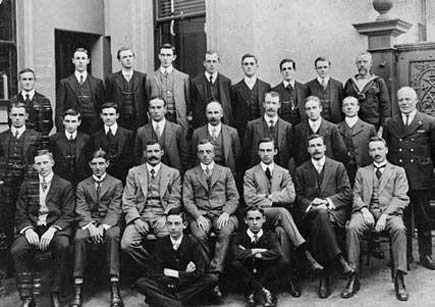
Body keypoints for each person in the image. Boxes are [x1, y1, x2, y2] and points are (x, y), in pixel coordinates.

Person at [243, 137, 323, 298]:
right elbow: (249, 199)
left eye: (269, 150)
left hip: (280, 221)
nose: (266, 154)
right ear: (258, 152)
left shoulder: (284, 172)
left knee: (282, 232)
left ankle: (287, 278)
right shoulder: (250, 173)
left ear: (275, 151)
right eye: (262, 150)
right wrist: (275, 198)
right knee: (282, 212)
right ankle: (304, 251)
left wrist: (267, 197)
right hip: (260, 215)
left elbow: (291, 196)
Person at [342, 137, 409, 301]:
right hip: (366, 212)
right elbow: (355, 195)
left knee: (400, 229)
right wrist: (364, 209)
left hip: (390, 213)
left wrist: (385, 216)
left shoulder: (398, 171)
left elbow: (401, 198)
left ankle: (399, 277)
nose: (377, 153)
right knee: (352, 228)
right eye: (373, 150)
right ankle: (353, 275)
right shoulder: (362, 172)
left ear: (386, 150)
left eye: (380, 149)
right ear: (369, 153)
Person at [11, 150, 75, 307]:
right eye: (38, 163)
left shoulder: (64, 185)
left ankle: (56, 292)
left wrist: (53, 230)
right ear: (34, 166)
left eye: (45, 162)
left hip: (55, 228)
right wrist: (27, 229)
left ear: (52, 163)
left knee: (63, 245)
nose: (42, 166)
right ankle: (27, 297)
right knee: (17, 250)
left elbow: (68, 214)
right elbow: (20, 213)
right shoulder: (27, 186)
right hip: (33, 228)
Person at [294, 134, 353, 299]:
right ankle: (339, 258)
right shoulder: (301, 170)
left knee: (321, 220)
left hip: (334, 212)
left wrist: (327, 202)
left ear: (325, 147)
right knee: (319, 215)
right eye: (312, 146)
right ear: (308, 150)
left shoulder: (338, 167)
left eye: (319, 145)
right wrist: (314, 204)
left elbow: (347, 193)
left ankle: (324, 276)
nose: (316, 149)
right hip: (311, 214)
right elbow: (298, 197)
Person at [383, 86, 435, 270]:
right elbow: (386, 152)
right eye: (401, 100)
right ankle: (403, 256)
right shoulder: (390, 123)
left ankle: (426, 254)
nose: (404, 103)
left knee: (423, 218)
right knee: (400, 219)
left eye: (407, 99)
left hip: (420, 177)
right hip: (399, 179)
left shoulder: (429, 122)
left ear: (416, 101)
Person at [183, 139, 240, 300]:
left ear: (214, 153)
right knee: (199, 235)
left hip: (221, 213)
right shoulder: (190, 173)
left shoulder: (225, 171)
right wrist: (198, 216)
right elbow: (187, 200)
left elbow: (234, 197)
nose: (205, 155)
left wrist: (226, 213)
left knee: (226, 231)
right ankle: (208, 278)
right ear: (197, 154)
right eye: (201, 152)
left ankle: (214, 275)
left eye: (208, 152)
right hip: (200, 214)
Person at [70, 149, 123, 307]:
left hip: (109, 222)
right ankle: (78, 287)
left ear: (107, 164)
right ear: (89, 165)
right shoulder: (82, 185)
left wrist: (104, 226)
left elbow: (115, 208)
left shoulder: (116, 183)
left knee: (113, 236)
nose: (98, 167)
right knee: (79, 238)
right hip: (89, 223)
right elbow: (81, 208)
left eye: (101, 163)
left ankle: (115, 286)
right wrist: (91, 227)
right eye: (94, 164)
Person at [134, 208, 218, 307]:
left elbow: (200, 271)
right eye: (169, 224)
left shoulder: (193, 243)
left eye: (177, 224)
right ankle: (178, 303)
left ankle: (167, 301)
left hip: (186, 286)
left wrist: (173, 273)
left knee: (211, 279)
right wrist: (184, 274)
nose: (173, 228)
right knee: (141, 283)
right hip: (167, 285)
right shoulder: (161, 243)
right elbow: (154, 271)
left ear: (184, 225)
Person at [121, 141, 182, 267]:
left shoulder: (173, 173)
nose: (152, 154)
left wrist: (165, 216)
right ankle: (153, 267)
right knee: (126, 244)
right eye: (149, 151)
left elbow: (175, 200)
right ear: (144, 153)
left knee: (173, 240)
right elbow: (128, 200)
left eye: (155, 151)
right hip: (140, 215)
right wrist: (137, 219)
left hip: (162, 216)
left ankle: (166, 274)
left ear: (162, 153)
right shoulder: (134, 172)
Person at [0, 102, 41, 278]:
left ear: (26, 117)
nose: (17, 118)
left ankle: (29, 263)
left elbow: (40, 161)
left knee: (28, 221)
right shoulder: (2, 137)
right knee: (8, 224)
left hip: (28, 186)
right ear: (9, 116)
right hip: (7, 186)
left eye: (20, 115)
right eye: (14, 115)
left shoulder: (36, 136)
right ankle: (9, 265)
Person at [231, 206, 292, 307]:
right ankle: (263, 291)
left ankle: (254, 292)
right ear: (245, 220)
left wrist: (255, 254)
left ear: (264, 219)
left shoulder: (270, 235)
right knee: (235, 264)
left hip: (264, 272)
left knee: (282, 261)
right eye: (251, 219)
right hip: (248, 273)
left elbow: (277, 252)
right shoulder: (239, 236)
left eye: (258, 218)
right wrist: (255, 251)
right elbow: (235, 254)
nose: (255, 223)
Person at [56, 48, 105, 134]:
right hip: (72, 126)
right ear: (73, 61)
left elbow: (102, 107)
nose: (80, 61)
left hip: (93, 128)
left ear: (88, 61)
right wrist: (61, 130)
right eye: (77, 58)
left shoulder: (97, 83)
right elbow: (59, 109)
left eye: (83, 58)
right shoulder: (65, 83)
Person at [134, 97, 189, 173]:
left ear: (165, 109)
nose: (156, 111)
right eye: (153, 108)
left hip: (172, 174)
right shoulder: (141, 131)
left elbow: (184, 155)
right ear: (149, 110)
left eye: (159, 107)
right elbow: (137, 157)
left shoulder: (177, 130)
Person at [244, 91, 293, 170]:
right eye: (268, 103)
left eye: (274, 103)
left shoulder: (287, 127)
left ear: (279, 105)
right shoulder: (252, 126)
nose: (271, 106)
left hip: (280, 170)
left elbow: (290, 152)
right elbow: (246, 152)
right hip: (258, 170)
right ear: (264, 104)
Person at [293, 96, 347, 166]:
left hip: (328, 169)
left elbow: (341, 152)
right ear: (305, 111)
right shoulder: (299, 129)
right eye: (308, 109)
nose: (312, 111)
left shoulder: (332, 128)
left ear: (320, 108)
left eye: (314, 107)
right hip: (306, 170)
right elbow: (296, 153)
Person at [190, 101, 241, 175]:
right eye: (210, 113)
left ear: (222, 114)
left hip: (225, 174)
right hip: (204, 174)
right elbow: (193, 156)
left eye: (216, 112)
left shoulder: (232, 132)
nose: (213, 116)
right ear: (206, 114)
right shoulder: (197, 133)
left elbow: (238, 157)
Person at [344, 51, 391, 131]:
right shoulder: (350, 83)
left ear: (371, 64)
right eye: (359, 62)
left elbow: (385, 108)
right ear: (356, 64)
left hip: (373, 126)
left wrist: (382, 128)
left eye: (365, 62)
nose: (362, 65)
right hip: (353, 126)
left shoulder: (378, 82)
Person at [88, 102, 134, 183]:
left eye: (111, 114)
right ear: (101, 116)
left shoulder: (128, 135)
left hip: (123, 177)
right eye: (105, 114)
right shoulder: (95, 136)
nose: (108, 117)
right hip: (102, 178)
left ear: (117, 115)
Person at [105, 47, 148, 131]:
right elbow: (108, 99)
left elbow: (146, 98)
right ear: (119, 60)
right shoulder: (111, 78)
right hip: (119, 120)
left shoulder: (142, 77)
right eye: (124, 57)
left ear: (134, 58)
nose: (128, 59)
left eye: (130, 56)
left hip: (138, 119)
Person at [149, 43, 190, 130]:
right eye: (163, 55)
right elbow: (148, 98)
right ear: (159, 56)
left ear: (173, 57)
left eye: (168, 55)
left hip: (178, 119)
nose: (165, 58)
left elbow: (188, 101)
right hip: (159, 118)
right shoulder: (151, 78)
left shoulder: (183, 77)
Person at [337, 96, 376, 185]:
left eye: (352, 104)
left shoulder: (369, 128)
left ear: (358, 108)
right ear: (342, 109)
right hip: (343, 173)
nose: (349, 107)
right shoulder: (336, 128)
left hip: (364, 171)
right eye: (346, 105)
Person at [232, 53, 271, 140]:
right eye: (246, 64)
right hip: (242, 130)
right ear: (242, 67)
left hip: (262, 129)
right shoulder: (234, 88)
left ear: (257, 66)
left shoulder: (265, 87)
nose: (249, 67)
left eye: (251, 64)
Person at [9, 68, 53, 146]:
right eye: (24, 79)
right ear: (20, 81)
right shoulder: (13, 101)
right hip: (20, 143)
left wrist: (39, 138)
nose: (27, 82)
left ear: (34, 80)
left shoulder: (44, 100)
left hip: (39, 142)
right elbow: (11, 123)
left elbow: (48, 124)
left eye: (30, 79)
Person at [190, 50, 232, 129]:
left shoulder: (226, 82)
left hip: (221, 124)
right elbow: (192, 104)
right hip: (202, 124)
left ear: (218, 63)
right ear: (204, 63)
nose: (211, 64)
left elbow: (229, 105)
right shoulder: (195, 82)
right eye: (208, 61)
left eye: (214, 61)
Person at [49, 109, 90, 187]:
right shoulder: (54, 139)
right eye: (67, 121)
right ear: (63, 122)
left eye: (73, 121)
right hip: (60, 181)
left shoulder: (86, 139)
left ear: (79, 122)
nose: (70, 125)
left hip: (81, 181)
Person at [305, 57, 344, 124]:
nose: (323, 70)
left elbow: (342, 105)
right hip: (317, 123)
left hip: (335, 123)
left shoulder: (338, 85)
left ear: (329, 68)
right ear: (316, 69)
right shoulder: (308, 86)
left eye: (325, 67)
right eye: (320, 68)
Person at [271, 59, 306, 125]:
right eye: (284, 69)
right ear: (281, 72)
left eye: (289, 68)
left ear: (294, 70)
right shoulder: (275, 90)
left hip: (300, 126)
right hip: (282, 127)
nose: (287, 71)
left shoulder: (303, 89)